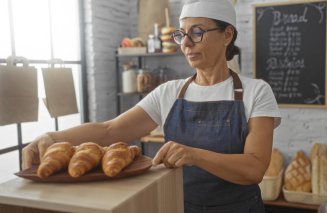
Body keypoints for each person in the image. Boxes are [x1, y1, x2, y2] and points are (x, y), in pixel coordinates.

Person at [22, 0, 281, 212]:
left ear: (227, 35)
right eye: (182, 35)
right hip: (177, 207)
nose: (186, 43)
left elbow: (254, 168)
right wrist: (52, 136)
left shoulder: (256, 92)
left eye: (197, 32)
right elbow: (109, 130)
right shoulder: (168, 92)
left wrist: (195, 155)